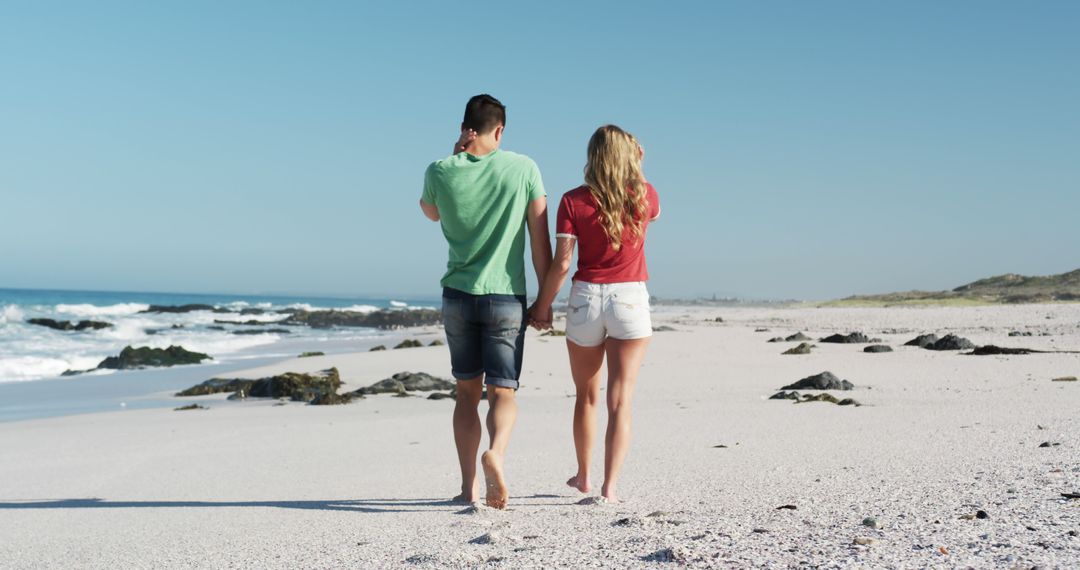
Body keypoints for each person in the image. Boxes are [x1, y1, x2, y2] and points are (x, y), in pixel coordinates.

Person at [420, 94, 551, 509]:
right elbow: (539, 243)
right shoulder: (524, 168)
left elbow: (430, 213)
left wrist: (453, 154)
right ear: (500, 130)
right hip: (505, 297)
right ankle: (496, 453)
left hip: (458, 295)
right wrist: (545, 299)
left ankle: (467, 488)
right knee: (503, 393)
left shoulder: (439, 170)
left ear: (465, 128)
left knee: (465, 394)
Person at [529, 124, 660, 503]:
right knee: (620, 400)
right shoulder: (645, 195)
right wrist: (640, 165)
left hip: (586, 298)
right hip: (630, 300)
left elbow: (562, 265)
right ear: (630, 155)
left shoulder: (572, 201)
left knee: (586, 396)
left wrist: (542, 306)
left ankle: (584, 476)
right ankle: (610, 487)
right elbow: (654, 209)